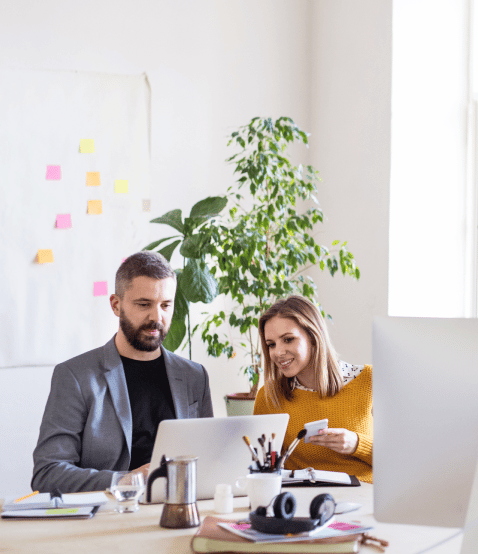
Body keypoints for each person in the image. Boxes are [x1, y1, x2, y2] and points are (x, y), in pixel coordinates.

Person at [32, 252, 213, 493]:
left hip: (178, 509)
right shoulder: (75, 376)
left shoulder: (194, 376)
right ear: (116, 305)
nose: (156, 317)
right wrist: (125, 481)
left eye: (165, 305)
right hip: (108, 516)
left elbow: (211, 459)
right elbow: (48, 473)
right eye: (144, 304)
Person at [253, 295, 372, 483]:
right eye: (271, 344)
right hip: (300, 501)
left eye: (288, 339)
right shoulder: (269, 397)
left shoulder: (370, 382)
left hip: (364, 497)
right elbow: (260, 467)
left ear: (314, 337)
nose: (278, 352)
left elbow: (404, 457)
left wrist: (357, 444)